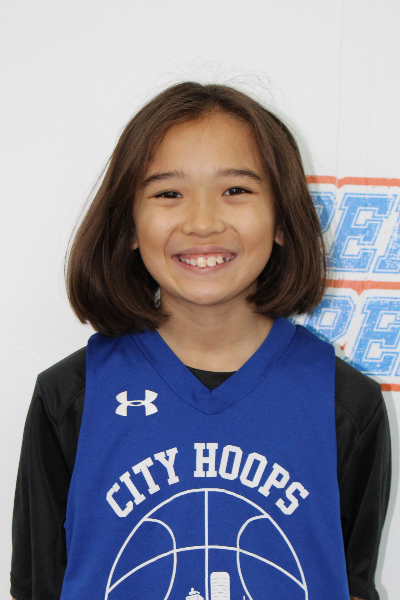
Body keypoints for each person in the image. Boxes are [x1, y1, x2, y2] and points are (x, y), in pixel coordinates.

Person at [10, 82, 391, 600]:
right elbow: (37, 585)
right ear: (128, 225)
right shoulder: (70, 398)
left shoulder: (345, 405)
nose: (203, 222)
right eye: (169, 193)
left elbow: (351, 583)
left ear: (282, 218)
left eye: (236, 190)